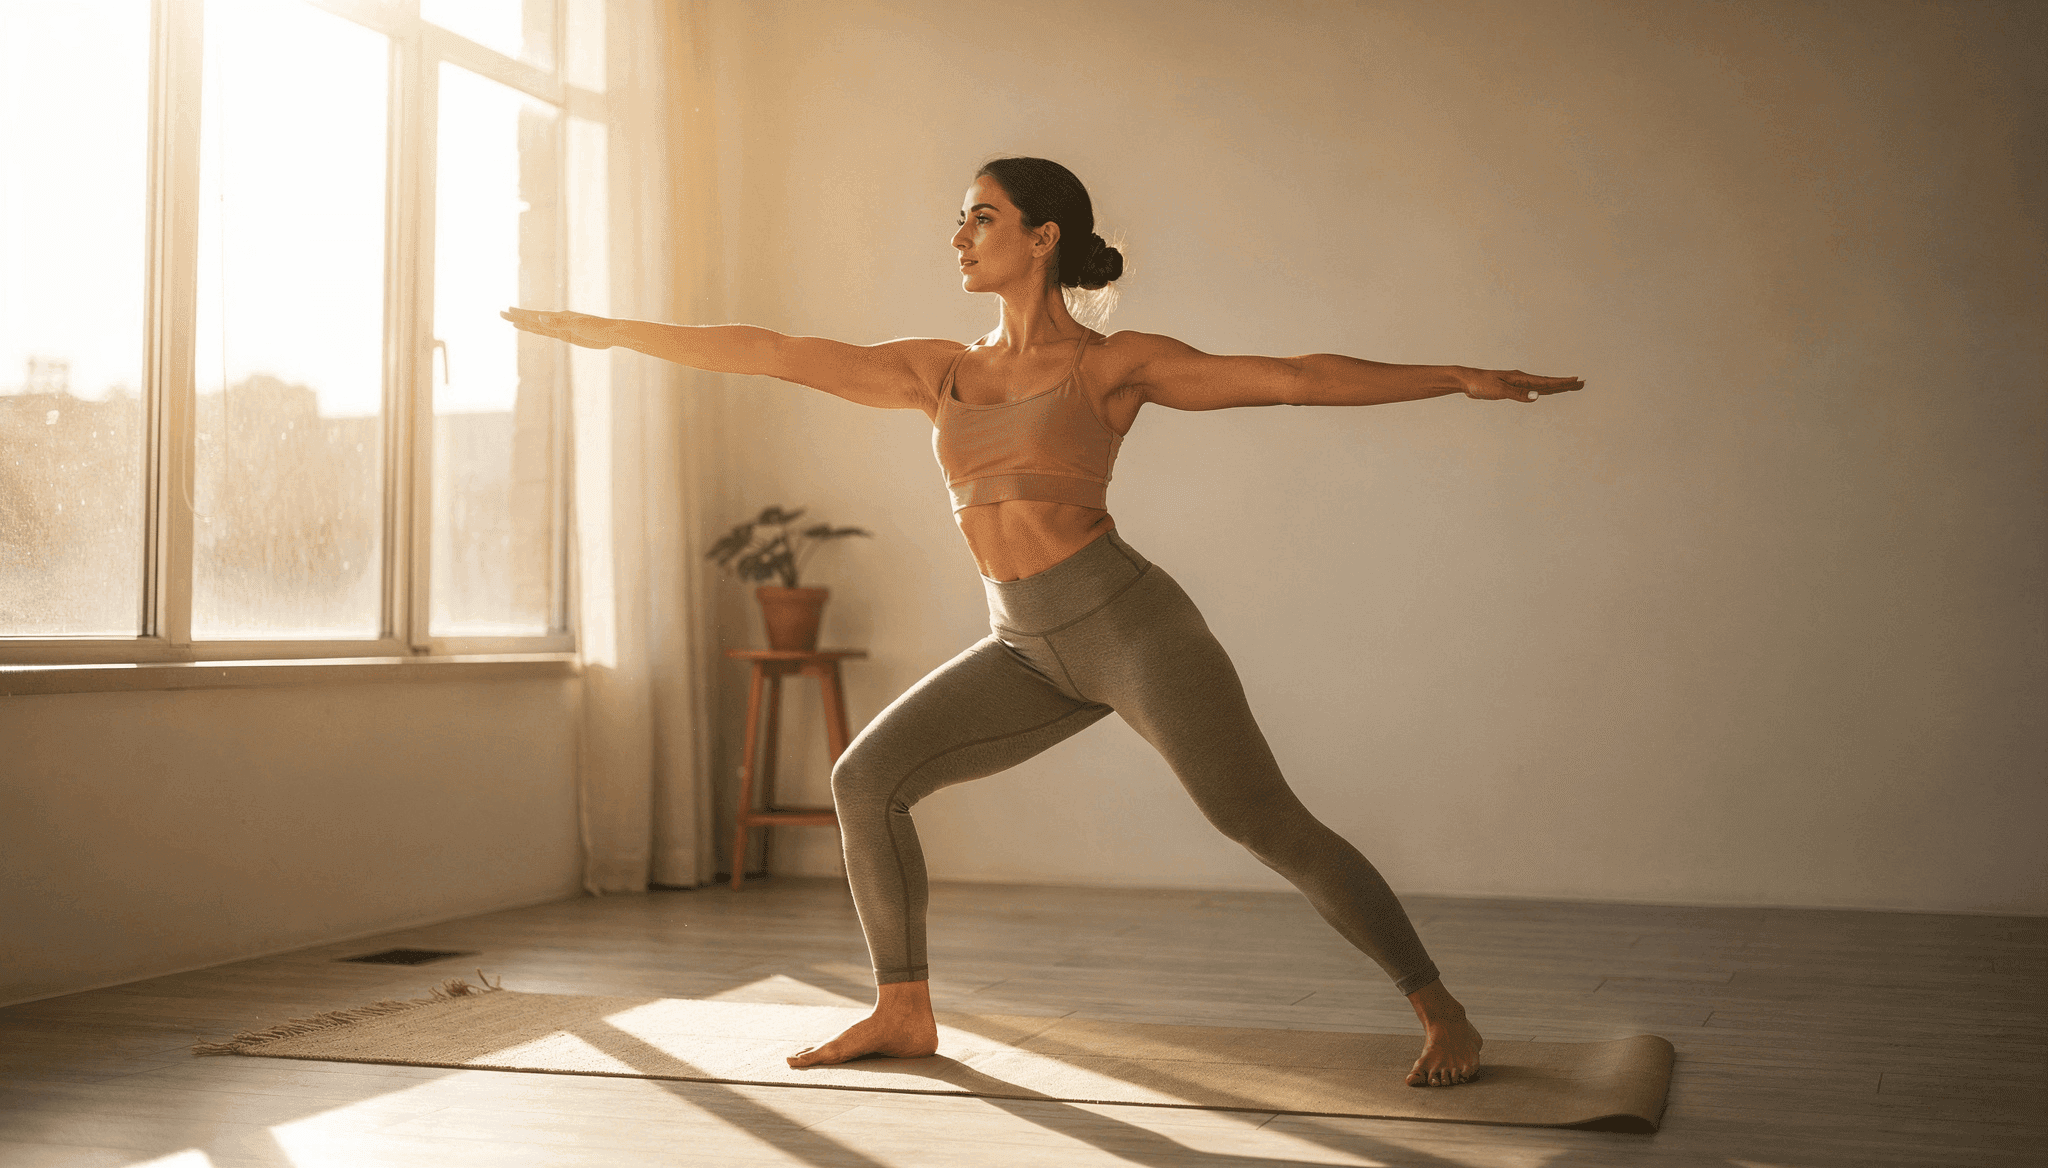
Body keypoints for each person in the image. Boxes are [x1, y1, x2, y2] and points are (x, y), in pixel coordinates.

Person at [504, 156, 1582, 1088]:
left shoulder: (1111, 365)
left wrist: (1457, 377)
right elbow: (773, 349)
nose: (958, 236)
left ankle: (1440, 1006)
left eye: (981, 217)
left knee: (1263, 823)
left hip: (1129, 627)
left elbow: (1294, 378)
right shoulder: (939, 371)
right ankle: (903, 1009)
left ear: (1042, 235)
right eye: (959, 218)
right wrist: (604, 333)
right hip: (1021, 647)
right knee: (866, 780)